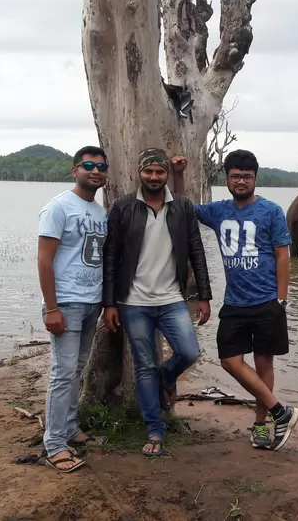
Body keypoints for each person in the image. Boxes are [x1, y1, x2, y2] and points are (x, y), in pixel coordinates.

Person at [170, 150, 298, 451]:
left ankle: (261, 425)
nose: (241, 181)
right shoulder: (218, 211)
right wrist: (177, 175)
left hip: (268, 301)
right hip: (235, 302)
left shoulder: (271, 211)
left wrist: (281, 300)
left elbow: (283, 256)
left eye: (247, 176)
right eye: (235, 176)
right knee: (229, 360)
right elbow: (182, 206)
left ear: (255, 179)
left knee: (263, 363)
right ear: (226, 178)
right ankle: (282, 412)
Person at [101, 147, 212, 458]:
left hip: (172, 298)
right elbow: (110, 257)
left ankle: (167, 376)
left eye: (159, 172)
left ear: (166, 175)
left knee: (189, 351)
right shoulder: (124, 207)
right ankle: (155, 428)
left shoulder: (183, 207)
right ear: (139, 172)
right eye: (148, 171)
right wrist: (109, 303)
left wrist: (205, 295)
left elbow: (197, 252)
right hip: (133, 302)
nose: (153, 177)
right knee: (145, 365)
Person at [37, 145, 110, 473]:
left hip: (90, 302)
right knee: (62, 373)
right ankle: (54, 444)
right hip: (64, 303)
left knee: (77, 370)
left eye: (101, 167)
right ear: (75, 170)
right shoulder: (58, 207)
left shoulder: (99, 212)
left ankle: (68, 428)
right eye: (89, 165)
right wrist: (52, 307)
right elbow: (44, 259)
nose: (95, 171)